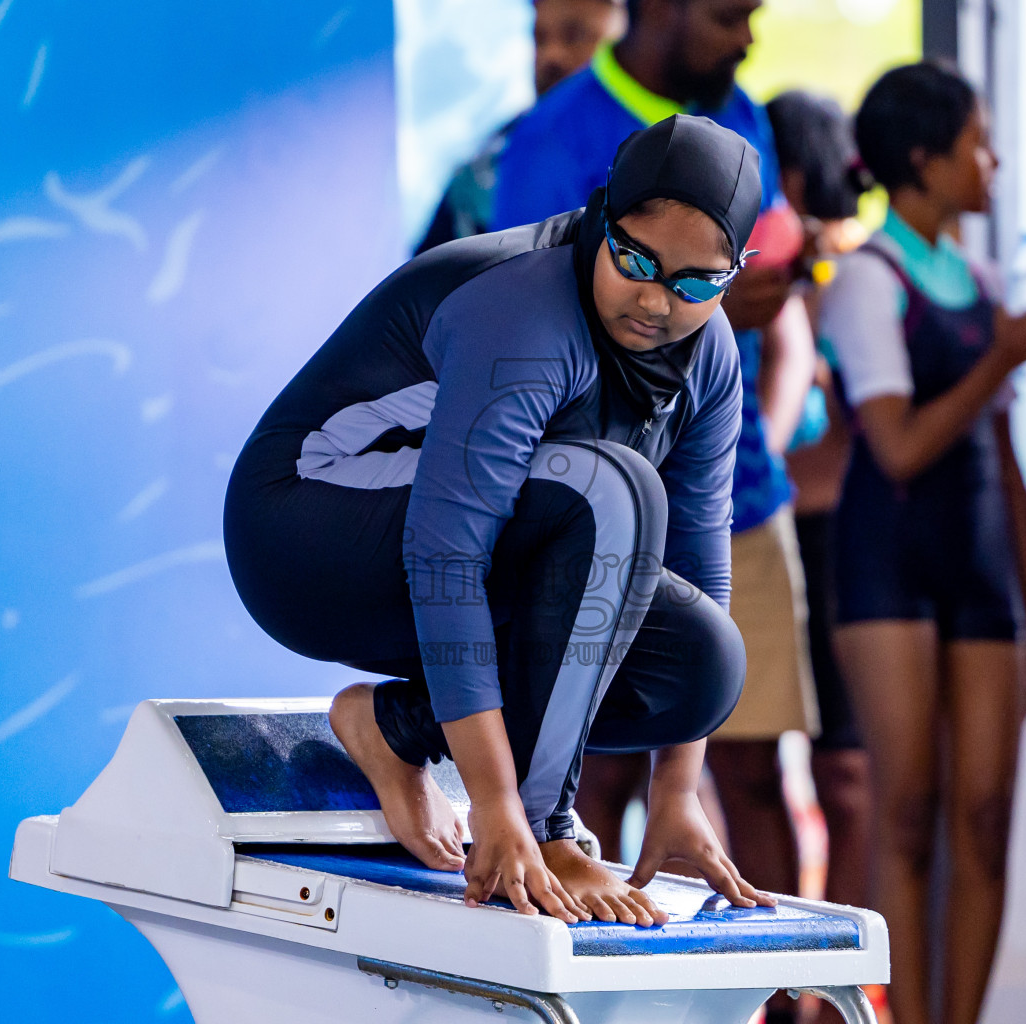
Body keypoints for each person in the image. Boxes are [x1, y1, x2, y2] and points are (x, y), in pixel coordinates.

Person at [224, 114, 778, 926]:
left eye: (696, 283)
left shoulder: (712, 356)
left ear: (733, 274)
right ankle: (551, 825)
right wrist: (506, 812)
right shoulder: (524, 314)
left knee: (703, 663)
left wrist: (677, 791)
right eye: (635, 261)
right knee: (611, 491)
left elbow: (699, 564)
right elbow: (445, 550)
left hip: (448, 549)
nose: (658, 302)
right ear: (600, 219)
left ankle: (394, 726)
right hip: (303, 529)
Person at [489, 6, 820, 966]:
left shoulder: (745, 117)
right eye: (729, 15)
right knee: (584, 780)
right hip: (585, 519)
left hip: (738, 493)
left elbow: (768, 293)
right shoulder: (553, 140)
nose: (747, 37)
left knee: (754, 775)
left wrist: (742, 310)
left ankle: (785, 998)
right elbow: (526, 331)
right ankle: (587, 986)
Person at [818, 63, 1026, 1024]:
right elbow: (900, 445)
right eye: (978, 144)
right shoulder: (868, 280)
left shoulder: (985, 278)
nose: (991, 163)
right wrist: (1002, 355)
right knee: (906, 815)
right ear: (925, 159)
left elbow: (1003, 452)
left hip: (981, 563)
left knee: (987, 819)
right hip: (889, 565)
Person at [769, 88, 875, 1024]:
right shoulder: (754, 275)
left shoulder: (841, 273)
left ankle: (831, 995)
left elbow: (854, 433)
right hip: (770, 529)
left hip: (834, 535)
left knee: (848, 776)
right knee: (753, 775)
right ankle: (772, 989)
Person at [414, 0, 626, 254]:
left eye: (576, 35)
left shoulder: (666, 135)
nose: (551, 56)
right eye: (540, 38)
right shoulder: (495, 158)